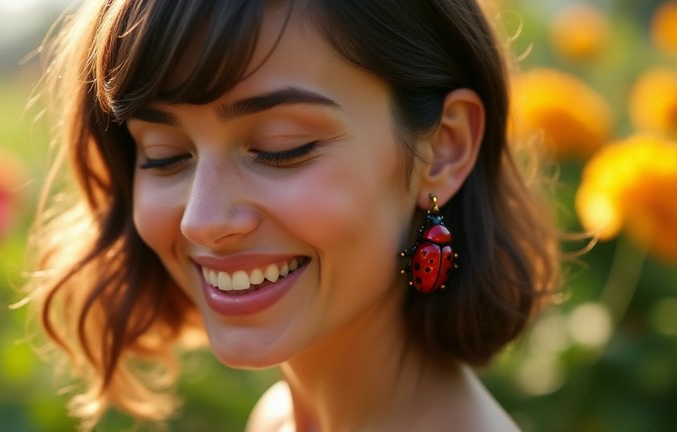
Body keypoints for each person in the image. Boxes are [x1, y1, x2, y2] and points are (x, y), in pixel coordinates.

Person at [28, 0, 560, 430]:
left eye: (282, 147)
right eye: (165, 154)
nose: (202, 220)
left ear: (443, 148)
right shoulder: (279, 419)